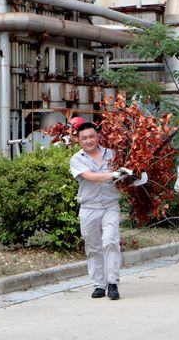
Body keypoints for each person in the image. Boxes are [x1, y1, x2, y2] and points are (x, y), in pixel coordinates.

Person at [69, 122, 132, 300]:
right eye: (84, 138)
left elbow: (126, 177)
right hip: (89, 208)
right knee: (93, 247)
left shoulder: (113, 155)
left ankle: (112, 283)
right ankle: (98, 285)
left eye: (91, 136)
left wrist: (133, 176)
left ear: (98, 137)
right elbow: (89, 176)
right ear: (79, 140)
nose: (89, 140)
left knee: (111, 241)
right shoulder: (77, 159)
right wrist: (113, 175)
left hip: (110, 206)